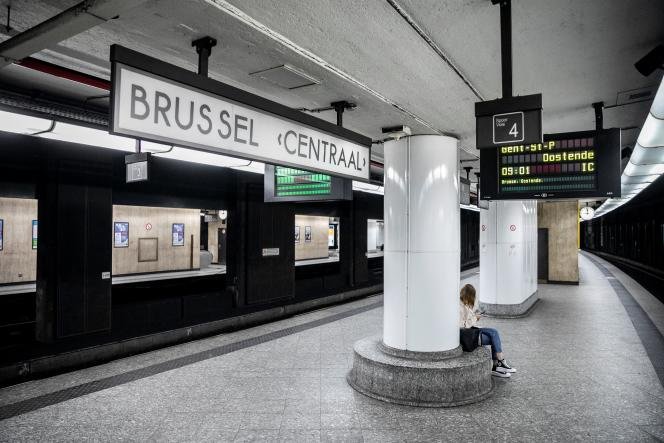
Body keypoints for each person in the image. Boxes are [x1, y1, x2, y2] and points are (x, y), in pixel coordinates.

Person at [459, 283, 516, 378]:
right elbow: (462, 325)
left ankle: (497, 366)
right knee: (493, 333)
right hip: (467, 337)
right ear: (469, 295)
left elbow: (469, 322)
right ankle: (500, 363)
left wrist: (476, 317)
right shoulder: (459, 307)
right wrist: (475, 318)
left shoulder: (466, 304)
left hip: (472, 332)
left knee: (494, 334)